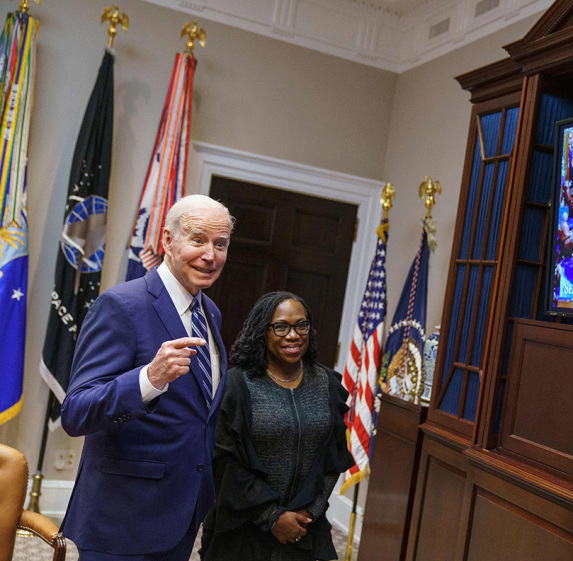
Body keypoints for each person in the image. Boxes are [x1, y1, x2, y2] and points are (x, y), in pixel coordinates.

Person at [61, 195, 234, 561]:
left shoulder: (211, 313)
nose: (211, 255)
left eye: (220, 244)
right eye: (198, 239)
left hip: (181, 514)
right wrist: (148, 380)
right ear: (168, 241)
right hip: (121, 518)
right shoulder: (122, 305)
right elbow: (76, 413)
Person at [200, 292, 354, 561]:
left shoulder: (327, 383)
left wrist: (309, 513)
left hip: (303, 531)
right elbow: (223, 464)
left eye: (301, 325)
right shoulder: (237, 385)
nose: (293, 335)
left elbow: (333, 459)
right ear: (262, 331)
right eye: (281, 326)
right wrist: (271, 516)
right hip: (242, 531)